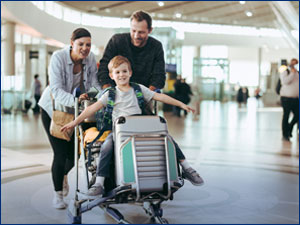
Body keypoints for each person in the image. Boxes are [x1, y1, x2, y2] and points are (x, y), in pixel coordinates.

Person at [61, 56, 204, 197]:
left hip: (140, 127)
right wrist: (74, 122)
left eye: (124, 71)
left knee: (168, 139)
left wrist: (181, 104)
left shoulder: (138, 89)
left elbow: (160, 97)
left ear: (130, 72)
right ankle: (99, 182)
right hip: (119, 130)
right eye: (117, 72)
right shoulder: (110, 94)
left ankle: (187, 168)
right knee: (106, 146)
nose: (121, 75)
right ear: (111, 75)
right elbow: (90, 110)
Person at [38, 28, 101, 209]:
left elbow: (94, 84)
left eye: (88, 44)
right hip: (53, 111)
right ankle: (58, 195)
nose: (85, 48)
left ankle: (62, 175)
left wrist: (100, 96)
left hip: (76, 113)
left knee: (75, 155)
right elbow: (56, 90)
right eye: (81, 44)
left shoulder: (90, 58)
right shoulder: (58, 58)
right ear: (72, 43)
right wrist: (76, 100)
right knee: (60, 153)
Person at [97, 10, 165, 91]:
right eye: (133, 31)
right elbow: (103, 68)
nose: (136, 36)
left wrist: (148, 95)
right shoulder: (117, 41)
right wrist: (109, 92)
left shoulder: (156, 46)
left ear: (150, 30)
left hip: (144, 92)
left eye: (141, 32)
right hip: (116, 92)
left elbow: (159, 76)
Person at [279, 58, 299, 141]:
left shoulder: (297, 73)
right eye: (293, 63)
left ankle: (289, 128)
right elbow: (284, 82)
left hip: (295, 98)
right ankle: (285, 135)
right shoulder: (285, 71)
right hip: (286, 98)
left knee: (298, 115)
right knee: (286, 116)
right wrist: (292, 74)